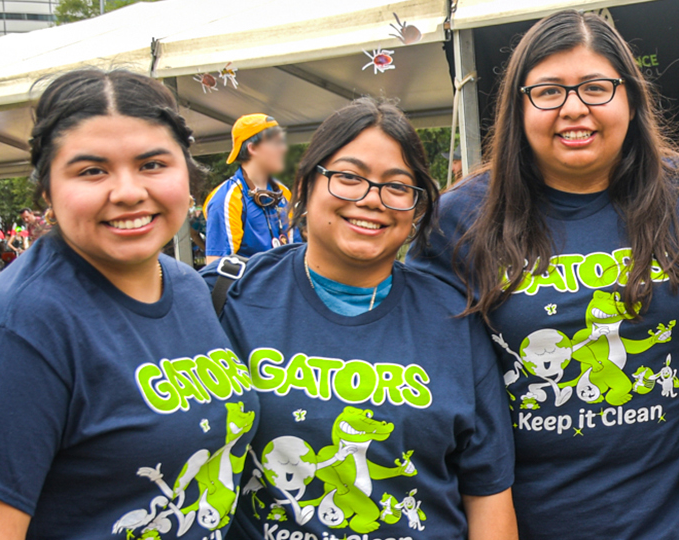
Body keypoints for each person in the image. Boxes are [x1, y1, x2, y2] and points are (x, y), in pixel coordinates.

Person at [407, 11, 679, 539]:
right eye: (548, 91)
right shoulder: (460, 220)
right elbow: (425, 375)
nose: (574, 109)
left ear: (630, 99)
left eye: (596, 87)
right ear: (518, 106)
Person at [0, 69, 256, 539]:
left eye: (153, 164)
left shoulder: (187, 287)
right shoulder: (8, 335)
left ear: (188, 173)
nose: (128, 192)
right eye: (92, 170)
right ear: (47, 189)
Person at [213, 97, 518, 539]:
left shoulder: (453, 315)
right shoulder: (226, 298)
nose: (371, 200)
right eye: (349, 178)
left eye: (396, 186)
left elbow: (487, 490)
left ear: (416, 208)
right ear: (304, 186)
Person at [203, 113, 298, 264]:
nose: (284, 149)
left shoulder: (282, 192)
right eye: (276, 143)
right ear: (253, 148)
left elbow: (296, 252)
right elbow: (217, 269)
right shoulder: (227, 199)